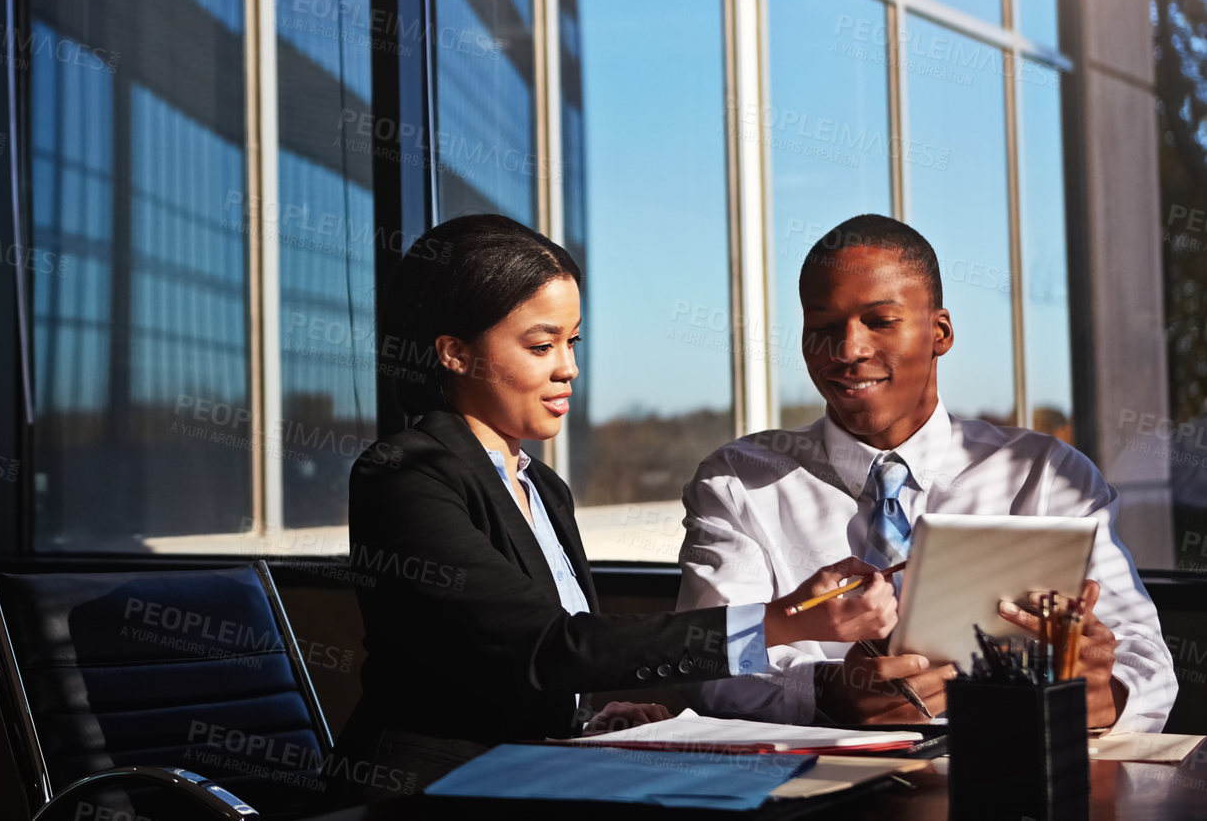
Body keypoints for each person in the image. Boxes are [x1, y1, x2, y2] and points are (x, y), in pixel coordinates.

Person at [332, 214, 899, 802]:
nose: (568, 367)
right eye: (540, 345)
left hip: (529, 779)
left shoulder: (543, 489)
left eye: (571, 342)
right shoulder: (404, 474)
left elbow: (544, 673)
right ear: (453, 353)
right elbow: (545, 647)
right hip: (425, 794)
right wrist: (780, 621)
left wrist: (585, 722)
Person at [677, 214, 1177, 731]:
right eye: (824, 328)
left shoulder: (1047, 475)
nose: (848, 350)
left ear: (940, 333)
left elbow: (1150, 664)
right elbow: (705, 662)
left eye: (879, 321)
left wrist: (1107, 691)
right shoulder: (739, 482)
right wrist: (826, 689)